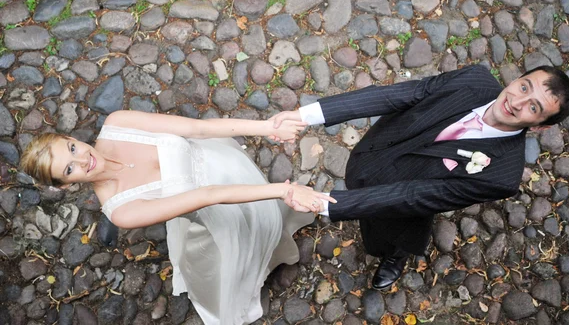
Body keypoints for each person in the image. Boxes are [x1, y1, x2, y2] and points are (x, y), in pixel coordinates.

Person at [273, 65, 569, 290]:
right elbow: (398, 95)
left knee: (393, 234)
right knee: (362, 187)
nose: (517, 102)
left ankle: (396, 256)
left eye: (533, 107)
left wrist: (325, 203)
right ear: (518, 79)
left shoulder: (500, 175)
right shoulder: (474, 79)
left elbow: (413, 196)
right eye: (524, 87)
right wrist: (307, 116)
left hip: (404, 200)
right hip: (372, 156)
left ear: (539, 126)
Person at [20, 111, 336, 325]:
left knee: (267, 216)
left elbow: (197, 128)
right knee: (246, 240)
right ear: (66, 185)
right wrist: (282, 190)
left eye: (72, 147)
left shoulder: (119, 121)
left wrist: (269, 127)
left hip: (223, 163)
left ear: (70, 137)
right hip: (218, 209)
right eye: (69, 169)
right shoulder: (122, 211)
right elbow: (209, 196)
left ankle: (275, 228)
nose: (82, 159)